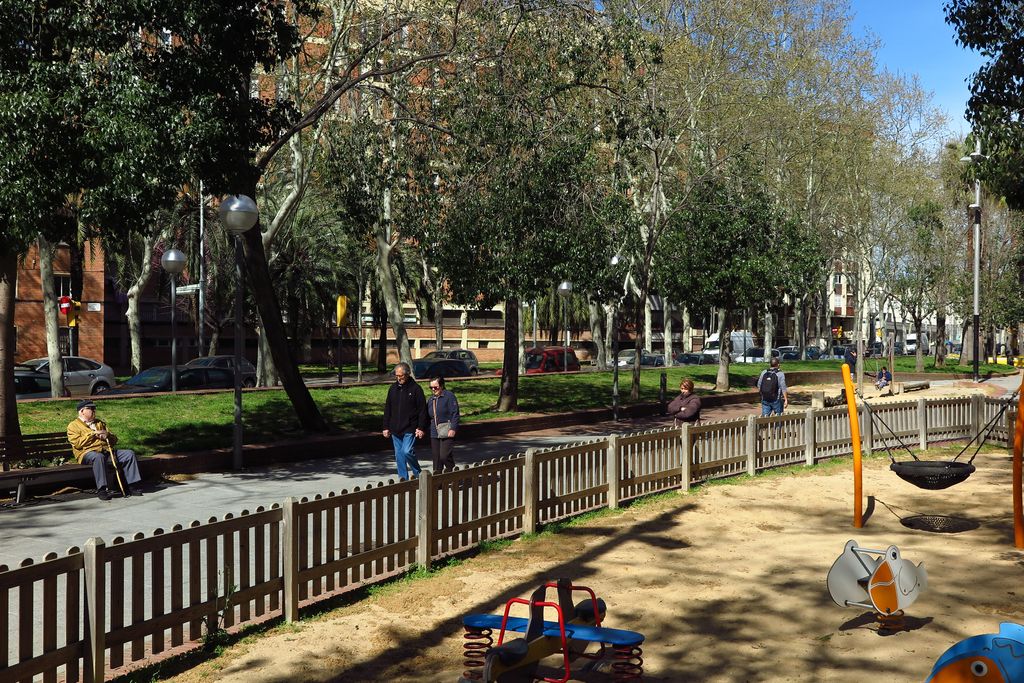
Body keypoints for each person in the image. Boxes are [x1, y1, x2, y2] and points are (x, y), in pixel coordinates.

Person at [66, 399, 143, 501]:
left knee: (129, 454)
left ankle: (132, 485)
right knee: (98, 457)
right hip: (86, 453)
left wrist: (108, 435)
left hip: (106, 451)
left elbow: (114, 440)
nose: (93, 411)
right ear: (81, 411)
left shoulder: (100, 423)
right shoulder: (73, 426)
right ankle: (102, 489)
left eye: (94, 409)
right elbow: (77, 443)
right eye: (90, 409)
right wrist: (93, 434)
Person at [382, 362, 428, 481]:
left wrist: (421, 427)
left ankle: (419, 475)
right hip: (395, 429)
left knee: (407, 451)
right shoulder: (393, 389)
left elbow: (422, 410)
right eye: (397, 376)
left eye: (401, 376)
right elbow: (388, 408)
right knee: (399, 456)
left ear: (407, 374)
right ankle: (403, 479)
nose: (398, 378)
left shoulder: (416, 389)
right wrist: (385, 427)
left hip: (410, 427)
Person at [427, 376, 460, 473]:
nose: (433, 389)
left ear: (442, 386)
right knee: (436, 459)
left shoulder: (449, 396)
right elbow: (427, 416)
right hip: (434, 431)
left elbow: (455, 413)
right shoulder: (431, 399)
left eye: (436, 387)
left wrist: (453, 428)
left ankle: (453, 473)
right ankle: (438, 483)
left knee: (444, 455)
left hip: (447, 430)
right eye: (431, 388)